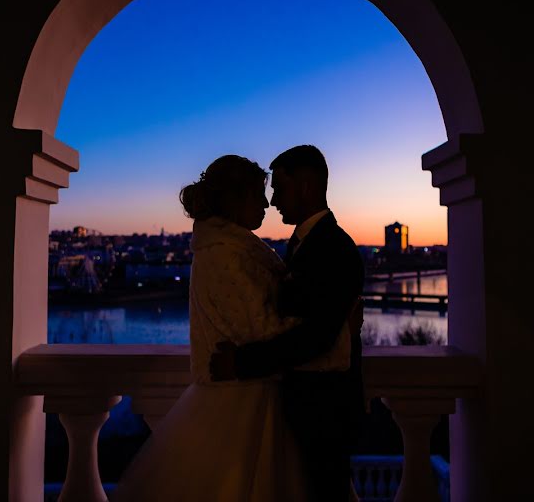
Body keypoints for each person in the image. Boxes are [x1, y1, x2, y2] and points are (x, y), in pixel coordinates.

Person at [112, 154, 315, 501]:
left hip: (240, 399)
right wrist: (325, 319)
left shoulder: (229, 250)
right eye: (257, 195)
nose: (267, 203)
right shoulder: (226, 256)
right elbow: (264, 332)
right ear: (234, 201)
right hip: (246, 406)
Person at [210, 145, 366, 502]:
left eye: (279, 187)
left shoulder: (334, 250)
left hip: (324, 413)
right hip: (307, 408)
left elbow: (315, 338)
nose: (273, 199)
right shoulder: (305, 244)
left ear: (307, 186)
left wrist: (240, 362)